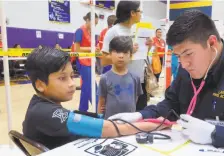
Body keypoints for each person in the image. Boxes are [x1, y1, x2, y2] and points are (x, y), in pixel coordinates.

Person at [108, 10, 224, 156]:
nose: (183, 64)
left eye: (188, 53)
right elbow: (171, 104)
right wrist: (140, 115)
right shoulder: (186, 70)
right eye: (178, 56)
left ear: (211, 43)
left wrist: (216, 134)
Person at [22, 46, 169, 150]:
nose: (72, 84)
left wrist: (104, 116)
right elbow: (109, 128)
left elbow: (80, 117)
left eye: (72, 76)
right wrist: (156, 125)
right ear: (40, 85)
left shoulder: (40, 106)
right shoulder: (46, 113)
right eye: (62, 78)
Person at [101, 1, 152, 111]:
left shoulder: (138, 30)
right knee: (122, 119)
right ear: (132, 13)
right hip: (121, 82)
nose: (141, 14)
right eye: (140, 11)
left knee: (139, 117)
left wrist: (148, 47)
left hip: (139, 81)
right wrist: (127, 52)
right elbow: (104, 60)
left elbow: (140, 56)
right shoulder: (113, 31)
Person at [98, 36, 143, 119]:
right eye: (117, 52)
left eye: (125, 52)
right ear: (110, 54)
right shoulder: (105, 78)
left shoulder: (135, 78)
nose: (121, 56)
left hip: (129, 122)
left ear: (130, 55)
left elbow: (135, 99)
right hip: (110, 123)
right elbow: (101, 102)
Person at [73, 12, 99, 112]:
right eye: (93, 23)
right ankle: (88, 109)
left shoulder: (91, 33)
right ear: (87, 20)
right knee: (89, 86)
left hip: (90, 62)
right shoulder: (80, 31)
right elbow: (77, 49)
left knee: (90, 86)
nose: (94, 26)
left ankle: (89, 108)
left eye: (96, 24)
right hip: (82, 62)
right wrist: (91, 48)